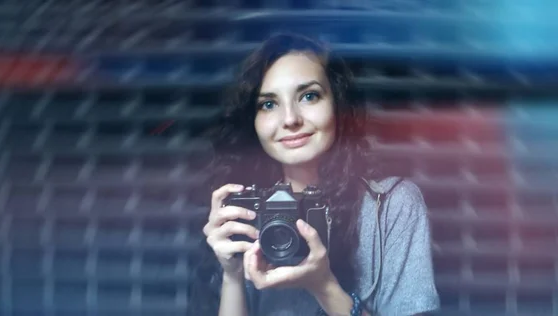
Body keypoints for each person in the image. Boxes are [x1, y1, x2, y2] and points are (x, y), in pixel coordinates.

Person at [187, 33, 440, 316]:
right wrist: (231, 274)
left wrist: (323, 285)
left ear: (339, 106)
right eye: (269, 104)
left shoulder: (389, 206)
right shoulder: (242, 213)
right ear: (253, 120)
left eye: (309, 96)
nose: (290, 119)